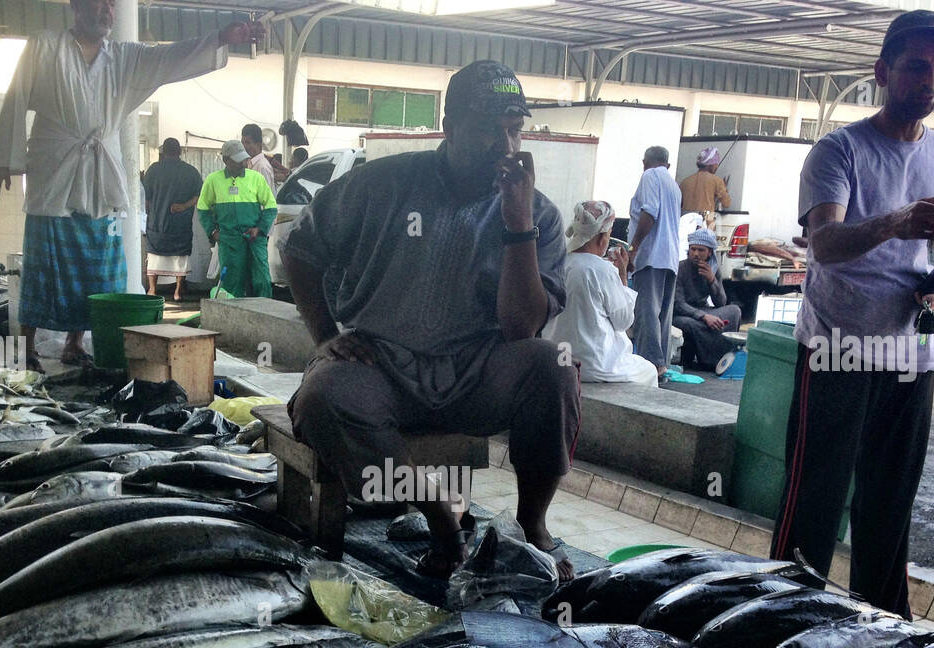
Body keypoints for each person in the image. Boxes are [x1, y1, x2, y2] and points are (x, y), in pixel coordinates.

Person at [281, 59, 577, 580]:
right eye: (488, 129)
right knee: (321, 399)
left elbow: (520, 329)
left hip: (476, 374)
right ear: (449, 125)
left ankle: (532, 526)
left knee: (554, 364)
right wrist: (326, 336)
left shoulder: (539, 214)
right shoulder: (380, 184)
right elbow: (300, 249)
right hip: (380, 366)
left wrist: (518, 226)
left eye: (515, 129)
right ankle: (437, 516)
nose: (505, 147)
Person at [770, 9, 934, 616]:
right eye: (917, 68)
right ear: (882, 72)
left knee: (890, 502)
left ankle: (882, 625)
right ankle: (780, 614)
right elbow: (825, 246)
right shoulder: (840, 151)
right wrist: (897, 221)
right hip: (839, 350)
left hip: (912, 356)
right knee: (815, 499)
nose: (930, 82)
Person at [0, 0, 262, 367]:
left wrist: (220, 38)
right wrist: (4, 158)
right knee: (44, 261)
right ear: (76, 7)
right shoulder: (44, 47)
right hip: (54, 170)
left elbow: (170, 58)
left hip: (102, 173)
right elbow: (16, 97)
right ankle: (28, 344)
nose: (107, 12)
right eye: (99, 4)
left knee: (98, 264)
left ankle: (75, 343)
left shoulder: (124, 58)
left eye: (112, 5)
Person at [542, 200, 657, 386]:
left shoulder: (556, 264)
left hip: (557, 360)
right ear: (603, 237)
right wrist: (622, 276)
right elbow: (623, 321)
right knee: (649, 370)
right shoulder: (602, 270)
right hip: (593, 366)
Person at [628, 145, 682, 383]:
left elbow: (649, 212)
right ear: (667, 164)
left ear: (644, 162)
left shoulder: (650, 176)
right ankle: (661, 365)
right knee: (661, 315)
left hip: (651, 255)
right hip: (670, 256)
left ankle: (654, 367)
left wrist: (634, 248)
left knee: (646, 311)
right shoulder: (673, 183)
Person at [197, 139, 277, 298]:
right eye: (238, 160)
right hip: (229, 240)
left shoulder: (256, 178)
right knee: (231, 282)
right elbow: (202, 208)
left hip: (255, 238)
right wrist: (213, 232)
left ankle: (264, 314)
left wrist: (259, 229)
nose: (243, 163)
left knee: (262, 279)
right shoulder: (213, 180)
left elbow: (271, 207)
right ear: (225, 160)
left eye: (245, 158)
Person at [673, 228, 742, 372]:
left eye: (701, 250)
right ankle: (709, 361)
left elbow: (721, 303)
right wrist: (704, 317)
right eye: (693, 249)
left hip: (703, 309)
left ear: (709, 252)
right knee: (690, 324)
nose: (696, 254)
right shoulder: (680, 268)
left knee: (734, 311)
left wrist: (712, 280)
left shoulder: (713, 269)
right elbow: (678, 304)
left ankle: (722, 358)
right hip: (682, 314)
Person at [142, 137, 201, 299]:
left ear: (163, 152)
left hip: (157, 222)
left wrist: (151, 211)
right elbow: (198, 196)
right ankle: (177, 292)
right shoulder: (191, 171)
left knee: (154, 257)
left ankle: (152, 290)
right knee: (180, 258)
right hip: (180, 223)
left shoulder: (153, 170)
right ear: (180, 152)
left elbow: (145, 199)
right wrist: (184, 206)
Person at [678, 147, 731, 229]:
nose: (717, 167)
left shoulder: (685, 182)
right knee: (705, 241)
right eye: (716, 164)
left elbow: (679, 204)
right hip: (707, 220)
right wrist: (724, 189)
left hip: (685, 222)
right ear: (710, 165)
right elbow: (727, 204)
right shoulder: (716, 180)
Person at [241, 123, 277, 191]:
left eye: (247, 143)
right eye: (242, 142)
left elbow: (266, 196)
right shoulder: (250, 164)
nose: (244, 146)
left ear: (258, 145)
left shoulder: (262, 167)